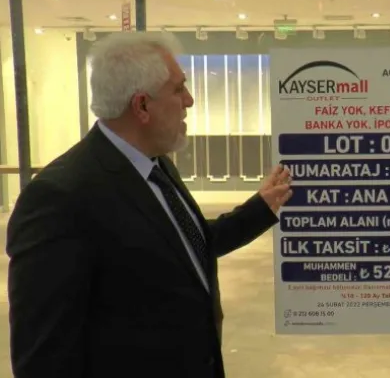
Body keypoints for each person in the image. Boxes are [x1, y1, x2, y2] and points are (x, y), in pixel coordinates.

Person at [6, 31, 292, 378]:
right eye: (178, 89)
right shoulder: (60, 198)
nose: (189, 100)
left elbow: (186, 245)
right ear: (141, 105)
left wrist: (259, 209)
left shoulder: (157, 165)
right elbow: (43, 359)